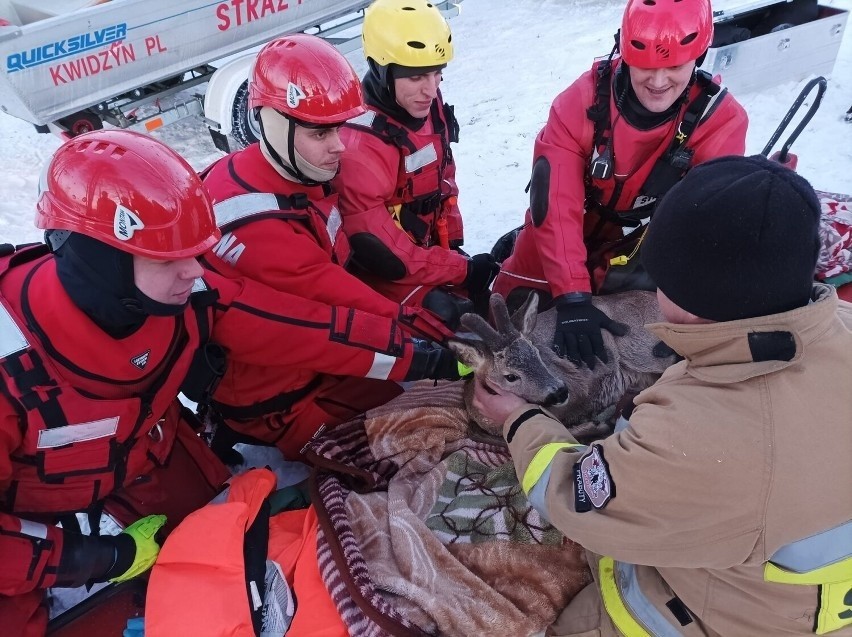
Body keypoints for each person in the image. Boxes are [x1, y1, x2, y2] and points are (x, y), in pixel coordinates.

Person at [0, 129, 459, 636]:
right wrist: (97, 557)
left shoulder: (184, 296)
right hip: (25, 504)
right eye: (167, 256)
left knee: (230, 553)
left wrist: (420, 357)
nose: (193, 269)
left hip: (146, 455)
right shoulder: (11, 366)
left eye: (194, 252)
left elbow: (299, 328)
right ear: (98, 260)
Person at [473, 155, 852, 636]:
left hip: (735, 617)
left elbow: (573, 495)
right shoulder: (842, 325)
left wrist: (520, 418)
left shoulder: (700, 437)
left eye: (657, 277)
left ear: (687, 294)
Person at [200, 34, 456, 461]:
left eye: (338, 128)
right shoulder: (258, 228)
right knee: (407, 447)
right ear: (272, 124)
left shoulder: (288, 173)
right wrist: (426, 345)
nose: (339, 145)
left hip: (308, 366)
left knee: (412, 399)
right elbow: (330, 315)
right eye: (321, 132)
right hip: (275, 396)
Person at [492, 0, 749, 370]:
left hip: (641, 240)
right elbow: (555, 205)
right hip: (561, 232)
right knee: (508, 318)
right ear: (624, 53)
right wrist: (573, 296)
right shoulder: (577, 104)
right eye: (644, 65)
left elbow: (704, 227)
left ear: (700, 56)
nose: (658, 82)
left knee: (635, 344)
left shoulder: (720, 121)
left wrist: (693, 315)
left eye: (674, 66)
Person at [333, 0, 499, 321]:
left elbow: (443, 174)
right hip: (382, 269)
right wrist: (460, 270)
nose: (431, 88)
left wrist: (451, 246)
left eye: (438, 74)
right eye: (416, 77)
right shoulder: (359, 147)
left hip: (423, 250)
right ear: (381, 70)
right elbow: (384, 254)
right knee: (449, 319)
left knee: (490, 302)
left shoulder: (425, 103)